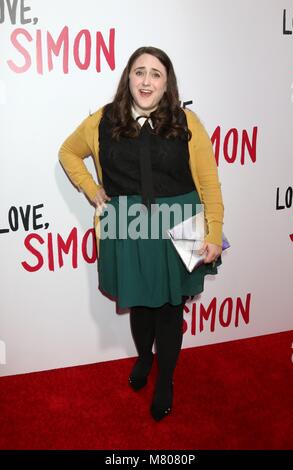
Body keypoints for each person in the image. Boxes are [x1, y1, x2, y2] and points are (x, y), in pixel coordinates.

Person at [58, 46, 224, 421]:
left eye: (156, 74)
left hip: (183, 222)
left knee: (169, 308)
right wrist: (90, 187)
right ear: (128, 77)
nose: (146, 81)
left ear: (167, 84)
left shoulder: (187, 122)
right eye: (139, 72)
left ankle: (165, 379)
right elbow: (68, 152)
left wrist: (214, 231)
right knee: (141, 305)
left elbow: (209, 184)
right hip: (128, 224)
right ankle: (145, 358)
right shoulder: (101, 120)